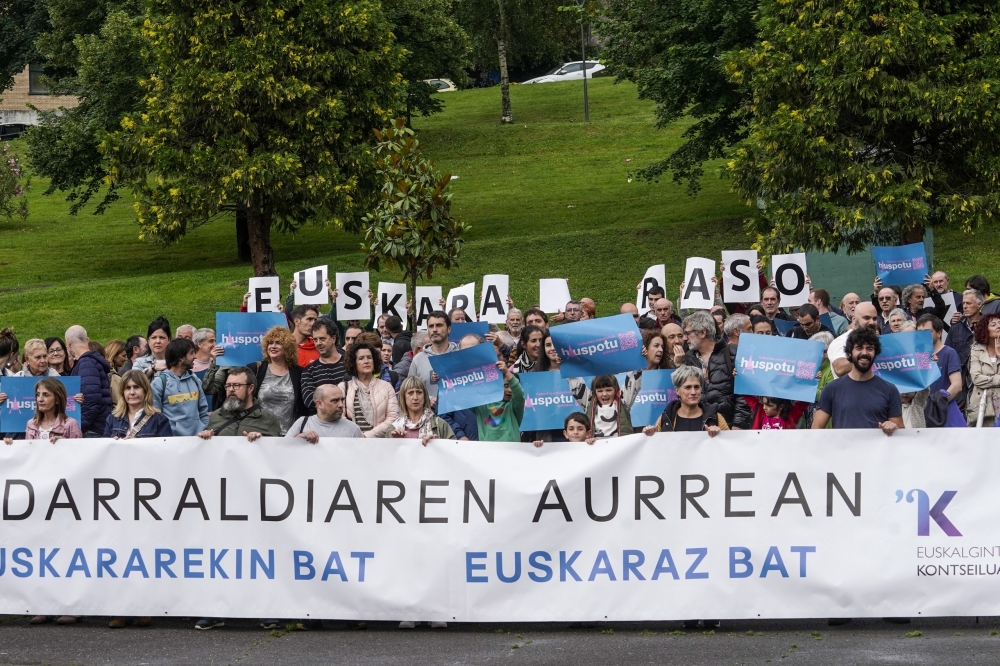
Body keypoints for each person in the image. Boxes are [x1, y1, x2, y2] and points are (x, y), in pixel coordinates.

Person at [4, 377, 83, 626]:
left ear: (57, 398)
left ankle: (70, 604)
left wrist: (65, 447)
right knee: (41, 548)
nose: (40, 398)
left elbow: (83, 459)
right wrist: (10, 448)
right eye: (38, 394)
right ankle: (43, 605)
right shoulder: (31, 424)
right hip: (38, 496)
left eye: (46, 394)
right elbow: (28, 456)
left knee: (65, 549)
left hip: (63, 495)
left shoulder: (70, 425)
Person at [811, 328, 903, 434]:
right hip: (842, 449)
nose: (864, 353)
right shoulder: (832, 389)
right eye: (859, 348)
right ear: (849, 353)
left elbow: (900, 432)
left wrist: (893, 427)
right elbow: (816, 429)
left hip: (878, 450)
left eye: (869, 348)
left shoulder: (890, 390)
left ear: (875, 353)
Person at [457, 334, 525, 441]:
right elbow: (463, 393)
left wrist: (507, 372)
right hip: (487, 453)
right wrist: (444, 379)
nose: (509, 390)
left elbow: (519, 394)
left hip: (512, 452)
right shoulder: (482, 405)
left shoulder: (513, 407)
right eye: (505, 386)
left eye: (510, 386)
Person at [248, 326, 306, 434]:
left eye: (278, 343)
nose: (273, 346)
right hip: (259, 435)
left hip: (290, 436)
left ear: (288, 347)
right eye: (270, 343)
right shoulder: (255, 369)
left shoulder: (300, 373)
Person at [198, 366, 283, 441]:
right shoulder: (216, 416)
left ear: (250, 388)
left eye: (236, 385)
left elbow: (275, 452)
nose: (231, 389)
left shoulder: (268, 419)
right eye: (228, 385)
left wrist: (261, 440)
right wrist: (205, 438)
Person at [643, 364, 728, 436]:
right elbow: (656, 448)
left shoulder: (715, 418)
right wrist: (649, 434)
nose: (693, 392)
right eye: (688, 387)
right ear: (677, 391)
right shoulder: (666, 418)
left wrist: (720, 435)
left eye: (697, 387)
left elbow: (730, 446)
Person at [338, 341, 399, 437]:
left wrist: (368, 435)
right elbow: (339, 417)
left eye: (369, 357)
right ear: (353, 362)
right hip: (351, 442)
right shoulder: (343, 387)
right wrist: (356, 435)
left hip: (380, 444)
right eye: (361, 358)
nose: (366, 361)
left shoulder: (387, 387)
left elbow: (393, 417)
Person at [701, 314, 752, 429]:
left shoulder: (717, 354)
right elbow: (742, 392)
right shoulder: (738, 354)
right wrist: (738, 423)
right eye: (749, 329)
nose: (753, 332)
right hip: (733, 422)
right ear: (736, 331)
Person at [152, 338, 210, 436]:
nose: (195, 357)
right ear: (181, 358)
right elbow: (155, 417)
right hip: (172, 443)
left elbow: (203, 410)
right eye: (191, 353)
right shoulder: (159, 383)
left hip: (198, 441)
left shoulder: (194, 380)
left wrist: (203, 428)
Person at [66, 325, 113, 438]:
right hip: (96, 428)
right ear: (87, 340)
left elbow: (91, 402)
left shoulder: (86, 363)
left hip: (92, 430)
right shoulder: (89, 362)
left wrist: (78, 428)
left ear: (68, 342)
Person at [103, 369, 174, 438]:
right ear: (122, 392)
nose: (132, 392)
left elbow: (166, 448)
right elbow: (105, 448)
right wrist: (112, 444)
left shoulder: (159, 420)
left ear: (145, 390)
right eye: (127, 388)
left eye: (136, 387)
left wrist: (138, 444)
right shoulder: (112, 419)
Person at [386, 376, 456, 444]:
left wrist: (438, 444)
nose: (415, 397)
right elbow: (385, 453)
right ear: (403, 397)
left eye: (419, 392)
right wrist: (394, 442)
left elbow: (454, 451)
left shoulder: (441, 425)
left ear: (425, 396)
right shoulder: (394, 429)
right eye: (410, 393)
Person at [408, 311, 459, 401]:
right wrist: (428, 400)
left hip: (458, 411)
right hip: (429, 412)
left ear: (449, 329)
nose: (434, 329)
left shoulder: (460, 355)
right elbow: (410, 391)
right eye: (431, 326)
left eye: (439, 325)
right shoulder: (418, 359)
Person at [946, 289, 984, 407]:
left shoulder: (988, 326)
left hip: (982, 377)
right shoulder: (955, 328)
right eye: (963, 303)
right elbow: (947, 352)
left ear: (979, 304)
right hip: (960, 380)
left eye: (969, 303)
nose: (965, 307)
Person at [300, 319, 347, 412]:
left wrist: (324, 398)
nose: (318, 343)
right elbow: (309, 401)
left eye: (322, 339)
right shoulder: (309, 371)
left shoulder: (350, 363)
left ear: (333, 338)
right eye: (315, 340)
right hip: (323, 424)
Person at [287, 384, 364, 440]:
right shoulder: (302, 423)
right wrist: (298, 439)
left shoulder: (353, 429)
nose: (341, 405)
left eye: (342, 400)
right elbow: (283, 449)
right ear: (319, 404)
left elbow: (360, 457)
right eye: (335, 400)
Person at [916, 315, 963, 405]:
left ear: (939, 333)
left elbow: (957, 385)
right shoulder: (920, 355)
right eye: (919, 332)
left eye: (927, 332)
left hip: (942, 412)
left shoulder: (949, 353)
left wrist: (939, 403)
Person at [570, 374, 634, 440]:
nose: (604, 394)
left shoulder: (623, 401)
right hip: (596, 447)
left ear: (616, 390)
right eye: (600, 391)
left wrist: (636, 365)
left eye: (608, 390)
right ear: (595, 392)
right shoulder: (589, 403)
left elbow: (633, 381)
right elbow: (576, 385)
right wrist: (568, 366)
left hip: (621, 446)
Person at [827, 303, 880, 377]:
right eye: (866, 318)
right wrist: (871, 358)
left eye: (874, 319)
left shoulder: (877, 340)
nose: (872, 322)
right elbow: (840, 369)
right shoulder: (842, 341)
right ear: (854, 319)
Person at [967, 314, 1000, 427]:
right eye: (993, 324)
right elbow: (976, 378)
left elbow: (982, 378)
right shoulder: (976, 350)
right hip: (982, 405)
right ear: (985, 330)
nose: (998, 326)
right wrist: (997, 380)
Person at [744, 396, 809, 430]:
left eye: (769, 405)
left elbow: (803, 402)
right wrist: (740, 375)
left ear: (781, 407)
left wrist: (813, 380)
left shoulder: (790, 415)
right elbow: (747, 395)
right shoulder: (760, 411)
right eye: (763, 404)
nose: (764, 407)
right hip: (762, 451)